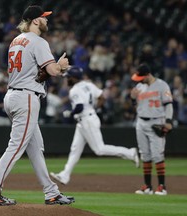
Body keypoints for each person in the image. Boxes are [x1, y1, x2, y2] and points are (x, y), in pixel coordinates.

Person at [0, 5, 74, 206]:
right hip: (26, 98)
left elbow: (34, 71)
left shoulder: (16, 41)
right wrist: (61, 66)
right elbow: (52, 71)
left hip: (14, 95)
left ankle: (51, 192)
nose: (47, 20)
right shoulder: (38, 41)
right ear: (35, 21)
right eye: (44, 17)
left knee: (35, 148)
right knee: (15, 147)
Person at [50, 66, 139, 185]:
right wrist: (94, 108)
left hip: (87, 120)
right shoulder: (89, 85)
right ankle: (65, 175)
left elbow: (79, 107)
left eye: (69, 77)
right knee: (75, 149)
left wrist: (70, 113)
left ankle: (130, 153)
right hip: (87, 118)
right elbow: (102, 97)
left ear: (74, 78)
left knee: (99, 149)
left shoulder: (75, 90)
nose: (67, 79)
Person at [130, 63, 173, 195]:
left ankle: (162, 186)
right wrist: (132, 98)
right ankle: (147, 186)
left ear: (148, 75)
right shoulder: (139, 87)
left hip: (157, 121)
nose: (140, 80)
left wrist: (169, 121)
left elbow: (168, 104)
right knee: (145, 155)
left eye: (141, 77)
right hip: (141, 122)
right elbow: (135, 106)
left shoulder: (162, 85)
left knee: (157, 154)